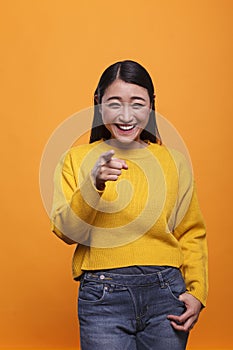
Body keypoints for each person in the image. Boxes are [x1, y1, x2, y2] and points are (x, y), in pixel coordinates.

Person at [51, 60, 208, 350]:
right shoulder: (76, 160)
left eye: (137, 104)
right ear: (98, 104)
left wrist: (198, 291)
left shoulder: (173, 161)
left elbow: (191, 231)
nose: (126, 115)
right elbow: (66, 232)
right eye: (115, 103)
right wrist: (93, 185)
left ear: (151, 106)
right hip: (102, 295)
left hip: (166, 294)